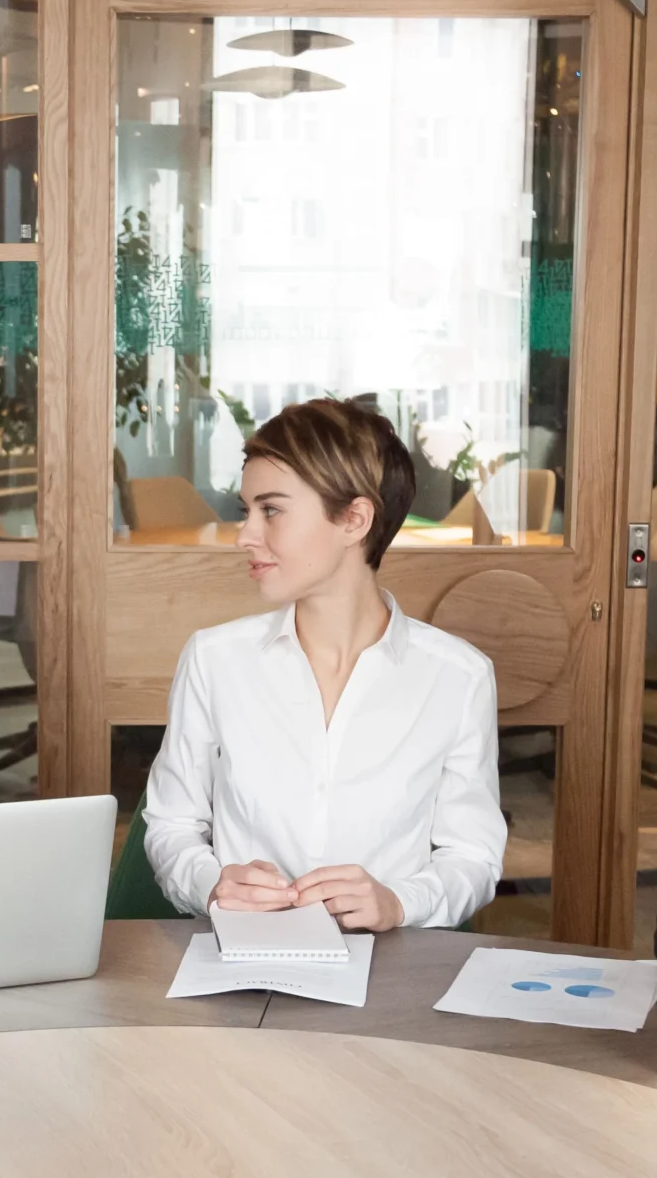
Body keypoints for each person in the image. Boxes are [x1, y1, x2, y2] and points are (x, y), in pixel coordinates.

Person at [143, 398, 507, 930]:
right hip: (241, 969)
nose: (245, 534)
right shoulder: (214, 660)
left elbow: (472, 856)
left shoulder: (459, 677)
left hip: (389, 978)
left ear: (355, 520)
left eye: (271, 510)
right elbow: (171, 825)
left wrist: (401, 902)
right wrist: (212, 885)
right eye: (247, 511)